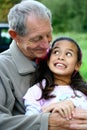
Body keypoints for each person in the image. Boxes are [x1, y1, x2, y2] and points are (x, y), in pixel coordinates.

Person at [0, 1, 77, 130]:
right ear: (15, 36)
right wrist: (46, 121)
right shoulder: (3, 67)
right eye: (37, 39)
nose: (46, 45)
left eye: (48, 35)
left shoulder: (55, 58)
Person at [23, 37, 87, 119]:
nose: (61, 57)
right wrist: (50, 110)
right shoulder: (36, 91)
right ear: (48, 60)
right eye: (56, 52)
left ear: (77, 65)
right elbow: (30, 123)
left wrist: (73, 103)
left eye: (68, 54)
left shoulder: (84, 90)